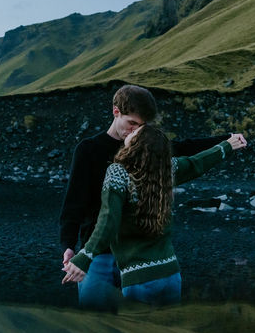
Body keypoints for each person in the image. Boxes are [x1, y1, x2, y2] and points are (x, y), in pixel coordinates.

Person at [58, 85, 229, 309]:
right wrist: (68, 245)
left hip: (139, 258)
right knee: (95, 327)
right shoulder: (89, 150)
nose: (135, 131)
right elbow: (74, 203)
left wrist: (227, 140)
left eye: (142, 126)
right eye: (132, 123)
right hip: (99, 254)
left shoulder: (147, 148)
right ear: (116, 111)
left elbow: (184, 149)